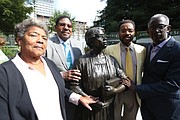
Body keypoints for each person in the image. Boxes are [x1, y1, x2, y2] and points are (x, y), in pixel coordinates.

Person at [0, 18, 97, 120]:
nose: (40, 40)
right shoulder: (5, 73)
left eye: (44, 38)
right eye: (33, 35)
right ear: (19, 40)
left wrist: (78, 98)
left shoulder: (49, 64)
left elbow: (57, 88)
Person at [122, 14, 180, 120]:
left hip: (167, 108)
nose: (156, 30)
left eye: (161, 26)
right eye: (152, 28)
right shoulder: (147, 48)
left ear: (168, 28)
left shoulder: (177, 49)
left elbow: (173, 84)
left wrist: (136, 88)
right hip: (148, 107)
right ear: (148, 31)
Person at [70, 27, 128, 120]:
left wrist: (115, 90)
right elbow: (74, 85)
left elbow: (126, 81)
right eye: (100, 36)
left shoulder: (111, 60)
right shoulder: (81, 61)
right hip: (88, 109)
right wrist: (89, 99)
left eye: (105, 36)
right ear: (91, 41)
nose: (105, 38)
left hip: (109, 109)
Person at [104, 19, 146, 120]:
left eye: (130, 31)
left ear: (134, 32)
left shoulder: (142, 50)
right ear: (119, 32)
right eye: (123, 31)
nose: (127, 33)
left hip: (133, 92)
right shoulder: (108, 50)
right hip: (115, 92)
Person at [46, 15, 82, 120]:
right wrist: (61, 75)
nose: (66, 28)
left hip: (76, 91)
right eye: (62, 25)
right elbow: (40, 68)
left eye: (69, 26)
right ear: (56, 27)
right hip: (55, 90)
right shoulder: (47, 44)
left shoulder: (78, 45)